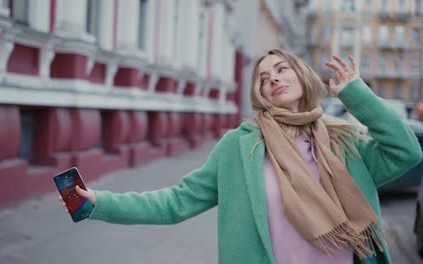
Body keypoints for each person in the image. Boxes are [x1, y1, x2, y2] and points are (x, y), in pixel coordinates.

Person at [60, 49, 422, 264]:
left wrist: (356, 94)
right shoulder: (240, 146)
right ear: (260, 93)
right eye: (264, 78)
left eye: (282, 69)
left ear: (302, 75)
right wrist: (99, 203)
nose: (273, 79)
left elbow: (406, 153)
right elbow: (177, 202)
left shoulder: (345, 142)